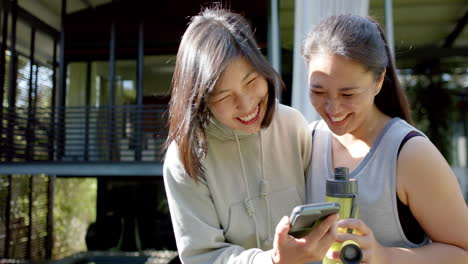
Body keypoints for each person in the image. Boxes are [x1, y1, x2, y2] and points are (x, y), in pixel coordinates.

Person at [163, 6, 338, 264]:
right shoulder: (185, 159)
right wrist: (274, 261)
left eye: (251, 81)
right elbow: (202, 256)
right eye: (224, 96)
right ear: (199, 100)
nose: (246, 106)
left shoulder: (293, 125)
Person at [303, 14, 468, 263]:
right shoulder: (307, 141)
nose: (332, 108)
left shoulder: (410, 153)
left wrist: (384, 256)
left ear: (379, 81)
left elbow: (463, 251)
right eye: (318, 91)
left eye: (348, 94)